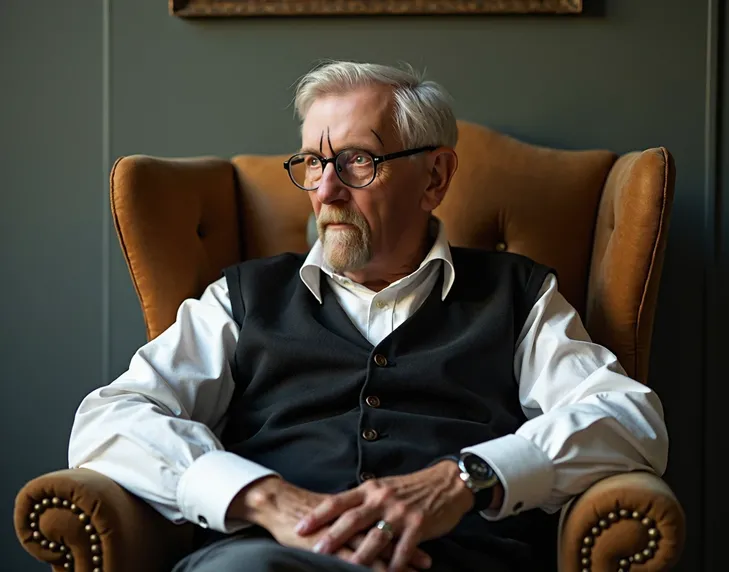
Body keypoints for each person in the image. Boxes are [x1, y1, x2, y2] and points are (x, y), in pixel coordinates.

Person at [69, 61, 668, 572]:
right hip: (269, 560)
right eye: (310, 161)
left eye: (356, 161)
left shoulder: (518, 294)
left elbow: (628, 418)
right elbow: (109, 420)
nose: (324, 190)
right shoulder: (244, 297)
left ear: (434, 177)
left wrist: (465, 480)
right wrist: (260, 497)